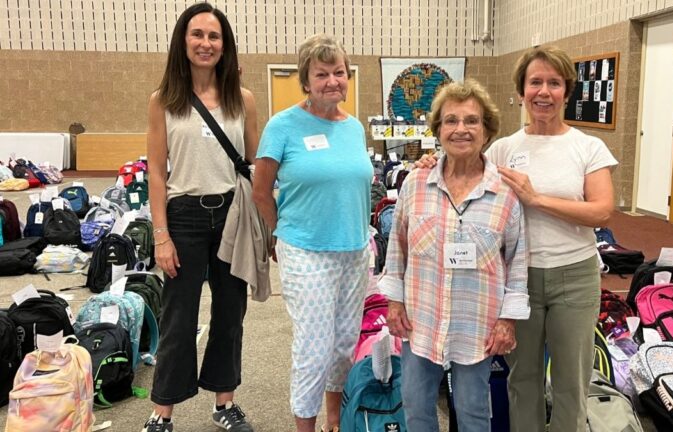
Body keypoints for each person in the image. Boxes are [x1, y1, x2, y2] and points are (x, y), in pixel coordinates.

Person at [418, 45, 617, 432]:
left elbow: (602, 212)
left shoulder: (588, 147)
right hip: (517, 281)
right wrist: (432, 160)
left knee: (571, 384)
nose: (544, 92)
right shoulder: (504, 148)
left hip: (574, 277)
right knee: (521, 379)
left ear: (567, 91)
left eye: (554, 83)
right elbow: (461, 171)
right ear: (522, 91)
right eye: (535, 82)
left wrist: (535, 198)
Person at [379, 79, 530, 431]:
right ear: (438, 129)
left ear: (486, 130)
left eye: (471, 121)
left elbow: (517, 262)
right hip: (421, 318)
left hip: (477, 323)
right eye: (451, 120)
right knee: (416, 408)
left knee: (474, 412)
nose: (460, 129)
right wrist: (394, 303)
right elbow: (396, 248)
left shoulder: (505, 192)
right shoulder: (415, 184)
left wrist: (508, 321)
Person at [143, 3, 259, 432]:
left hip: (232, 215)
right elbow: (156, 171)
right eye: (198, 35)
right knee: (179, 318)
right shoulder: (164, 101)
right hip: (184, 216)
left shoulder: (241, 99)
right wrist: (161, 235)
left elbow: (254, 165)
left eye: (214, 36)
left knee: (231, 313)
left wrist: (266, 226)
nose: (206, 43)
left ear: (224, 45)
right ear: (183, 41)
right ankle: (162, 412)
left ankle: (224, 404)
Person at [251, 34, 372, 432]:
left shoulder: (354, 128)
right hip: (306, 250)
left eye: (339, 72)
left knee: (342, 345)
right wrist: (278, 232)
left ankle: (333, 420)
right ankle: (305, 427)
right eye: (322, 74)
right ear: (306, 80)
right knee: (314, 348)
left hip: (355, 249)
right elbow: (261, 190)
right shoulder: (282, 126)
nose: (332, 81)